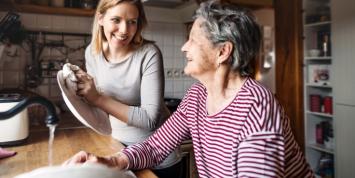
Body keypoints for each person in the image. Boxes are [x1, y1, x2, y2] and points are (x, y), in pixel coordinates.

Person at [64, 0, 314, 177]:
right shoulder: (197, 96)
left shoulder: (256, 107)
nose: (184, 47)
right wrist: (112, 162)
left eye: (193, 39)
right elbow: (156, 145)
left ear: (222, 52)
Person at [72, 0, 182, 177]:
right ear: (100, 19)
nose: (124, 30)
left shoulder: (149, 54)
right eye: (116, 20)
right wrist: (81, 93)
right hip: (118, 149)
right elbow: (99, 109)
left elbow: (149, 119)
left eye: (132, 22)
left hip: (158, 157)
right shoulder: (92, 52)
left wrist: (97, 98)